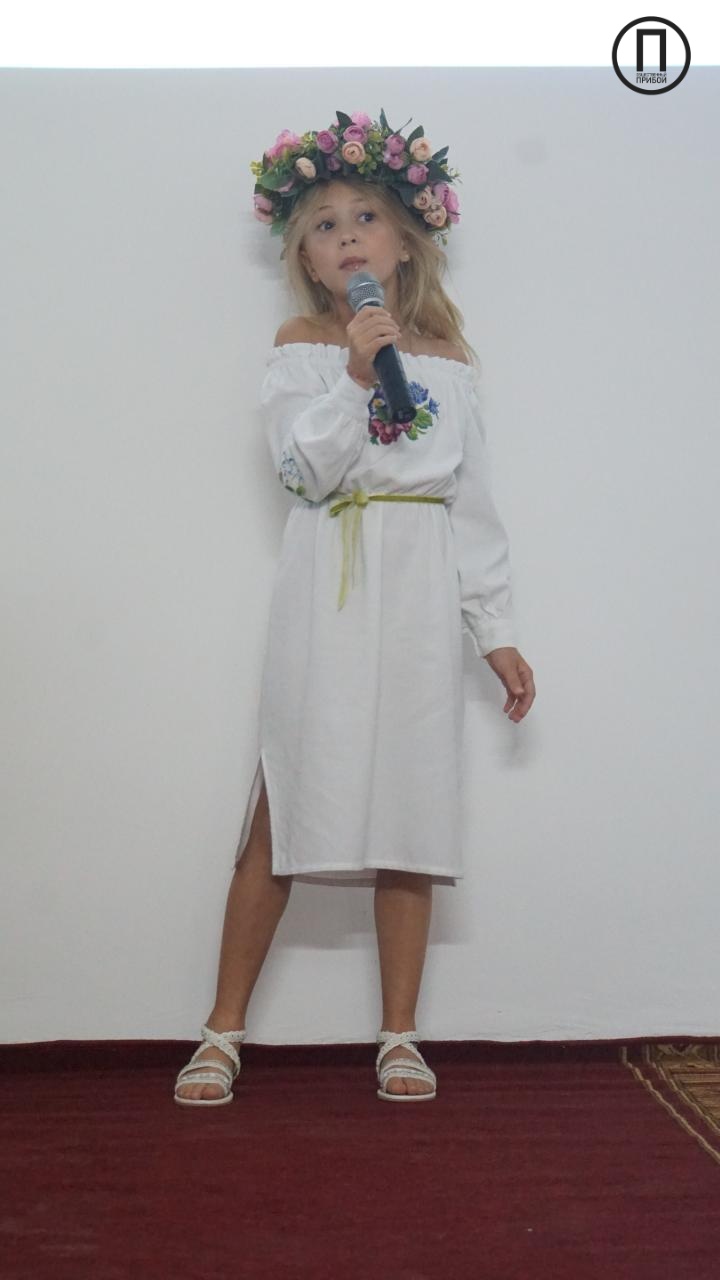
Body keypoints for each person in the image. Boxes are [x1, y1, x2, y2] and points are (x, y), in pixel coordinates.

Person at [174, 109, 536, 1108]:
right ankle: (221, 1029)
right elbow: (304, 471)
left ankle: (400, 1033)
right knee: (287, 794)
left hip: (418, 590)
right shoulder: (301, 347)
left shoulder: (450, 362)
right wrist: (353, 375)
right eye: (325, 225)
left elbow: (472, 505)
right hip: (329, 586)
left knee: (411, 805)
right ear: (306, 257)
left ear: (405, 241)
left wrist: (495, 631)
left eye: (365, 217)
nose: (347, 236)